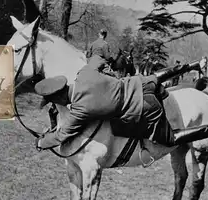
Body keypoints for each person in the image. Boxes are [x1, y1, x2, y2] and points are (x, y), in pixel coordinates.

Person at [34, 55, 173, 150]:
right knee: (153, 77)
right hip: (142, 84)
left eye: (53, 102)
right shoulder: (84, 73)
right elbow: (97, 59)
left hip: (143, 105)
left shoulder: (79, 111)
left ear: (59, 99)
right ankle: (188, 67)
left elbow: (61, 136)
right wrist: (105, 71)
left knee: (168, 139)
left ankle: (196, 132)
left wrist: (41, 142)